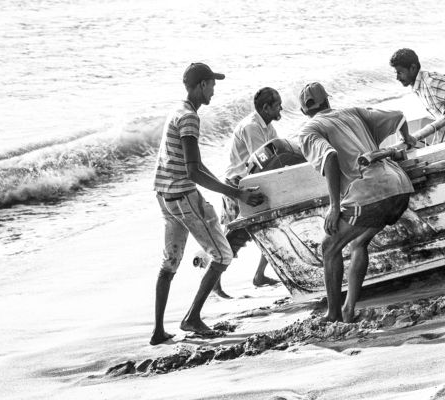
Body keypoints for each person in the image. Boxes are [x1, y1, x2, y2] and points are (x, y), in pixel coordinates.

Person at [151, 62, 267, 345]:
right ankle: (192, 318)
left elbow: (197, 165)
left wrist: (228, 189)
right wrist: (237, 194)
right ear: (201, 85)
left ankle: (157, 331)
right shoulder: (190, 117)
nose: (214, 90)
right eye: (212, 84)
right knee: (222, 255)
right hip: (183, 195)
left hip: (164, 195)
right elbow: (192, 172)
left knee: (170, 263)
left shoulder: (177, 110)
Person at [294, 82, 417, 323]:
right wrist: (407, 138)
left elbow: (329, 156)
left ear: (303, 111)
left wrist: (334, 206)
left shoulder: (308, 130)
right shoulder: (353, 112)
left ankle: (333, 314)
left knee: (329, 247)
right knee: (358, 242)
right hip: (400, 187)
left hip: (371, 194)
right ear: (328, 101)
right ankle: (348, 309)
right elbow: (399, 116)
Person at [214, 87, 284, 297]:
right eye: (277, 105)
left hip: (252, 179)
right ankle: (214, 282)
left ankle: (259, 275)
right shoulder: (252, 127)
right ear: (266, 107)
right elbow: (260, 161)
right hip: (236, 184)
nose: (281, 108)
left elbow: (274, 156)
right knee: (235, 236)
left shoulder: (268, 127)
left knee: (272, 226)